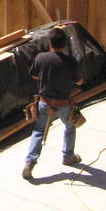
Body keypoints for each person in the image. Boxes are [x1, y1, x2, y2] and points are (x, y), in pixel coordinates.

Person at [22, 27, 83, 180]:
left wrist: (46, 76)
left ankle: (30, 162)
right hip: (64, 104)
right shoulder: (70, 62)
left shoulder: (41, 58)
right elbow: (79, 81)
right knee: (70, 127)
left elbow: (34, 75)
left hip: (45, 103)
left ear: (50, 42)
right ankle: (68, 156)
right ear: (64, 44)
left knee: (38, 131)